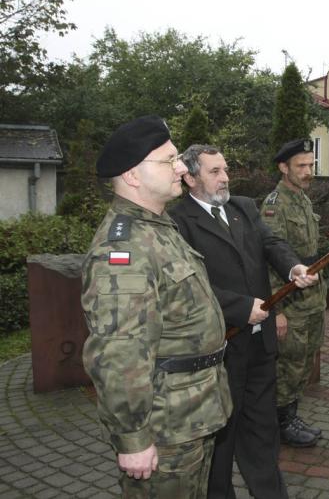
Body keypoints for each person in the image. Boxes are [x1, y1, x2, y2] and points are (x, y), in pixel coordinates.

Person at [81, 115, 233, 498]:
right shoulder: (124, 249)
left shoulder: (157, 226)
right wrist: (133, 437)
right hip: (166, 426)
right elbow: (120, 351)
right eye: (168, 161)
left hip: (191, 412)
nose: (181, 168)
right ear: (132, 175)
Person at [169, 144, 318, 498]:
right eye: (214, 172)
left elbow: (272, 243)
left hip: (259, 346)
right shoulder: (176, 222)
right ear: (191, 178)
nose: (225, 178)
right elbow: (189, 286)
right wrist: (239, 307)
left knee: (263, 433)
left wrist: (293, 267)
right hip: (219, 348)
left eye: (225, 169)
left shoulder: (243, 207)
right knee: (221, 440)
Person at [260, 139, 328, 448]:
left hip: (311, 298)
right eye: (301, 166)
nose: (308, 171)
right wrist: (276, 311)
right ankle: (281, 424)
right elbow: (269, 258)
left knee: (303, 361)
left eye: (311, 165)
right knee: (288, 366)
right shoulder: (275, 206)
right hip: (289, 301)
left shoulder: (302, 199)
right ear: (283, 168)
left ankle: (291, 416)